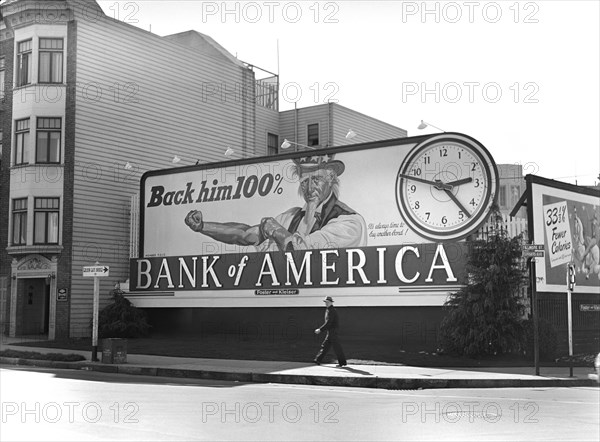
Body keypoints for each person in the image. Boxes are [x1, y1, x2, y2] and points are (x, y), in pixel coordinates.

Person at [184, 154, 367, 252]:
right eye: (304, 181)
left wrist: (273, 229)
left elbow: (302, 251)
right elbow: (246, 234)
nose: (309, 188)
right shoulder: (292, 216)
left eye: (316, 179)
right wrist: (202, 226)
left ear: (331, 178)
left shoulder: (350, 222)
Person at [314, 296, 347, 367]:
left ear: (331, 303)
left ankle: (342, 363)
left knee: (336, 347)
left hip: (333, 332)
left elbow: (329, 322)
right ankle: (318, 360)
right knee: (325, 346)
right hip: (331, 332)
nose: (326, 303)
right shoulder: (328, 310)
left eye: (327, 302)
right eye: (325, 302)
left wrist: (320, 329)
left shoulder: (331, 311)